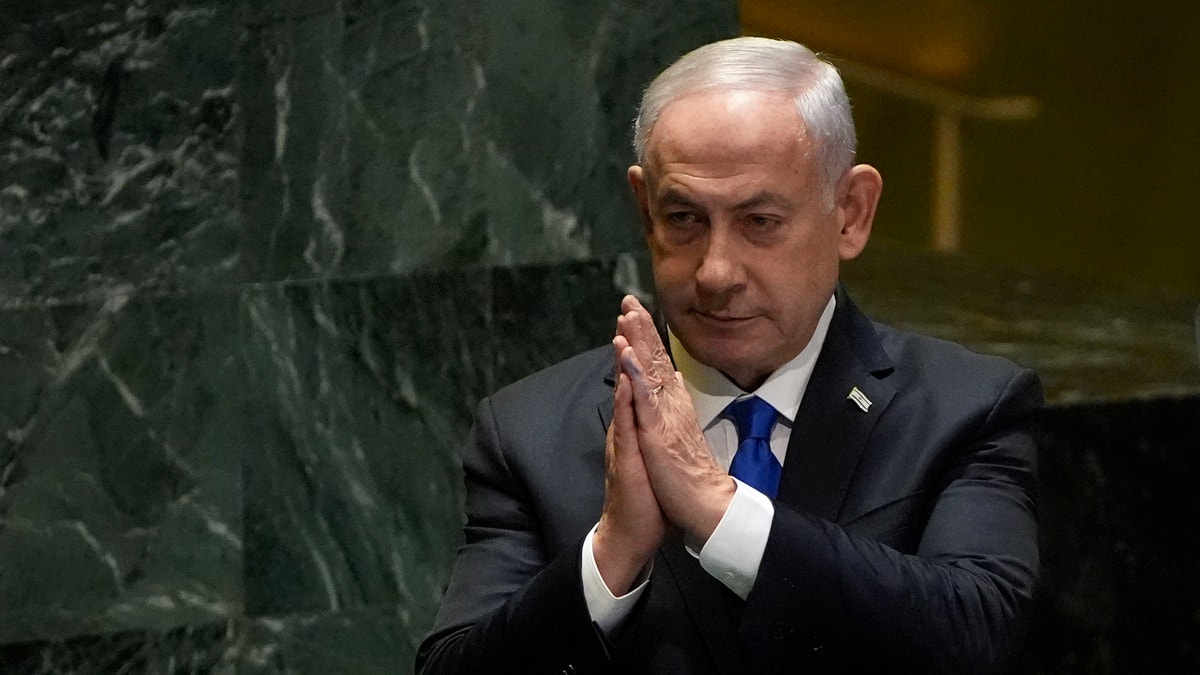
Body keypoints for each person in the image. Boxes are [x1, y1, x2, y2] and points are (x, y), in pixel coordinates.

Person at [416, 36, 1041, 674]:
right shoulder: (530, 430)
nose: (715, 272)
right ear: (644, 209)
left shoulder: (964, 408)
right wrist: (610, 555)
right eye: (683, 217)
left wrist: (719, 510)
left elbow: (974, 634)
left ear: (850, 213)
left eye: (759, 221)